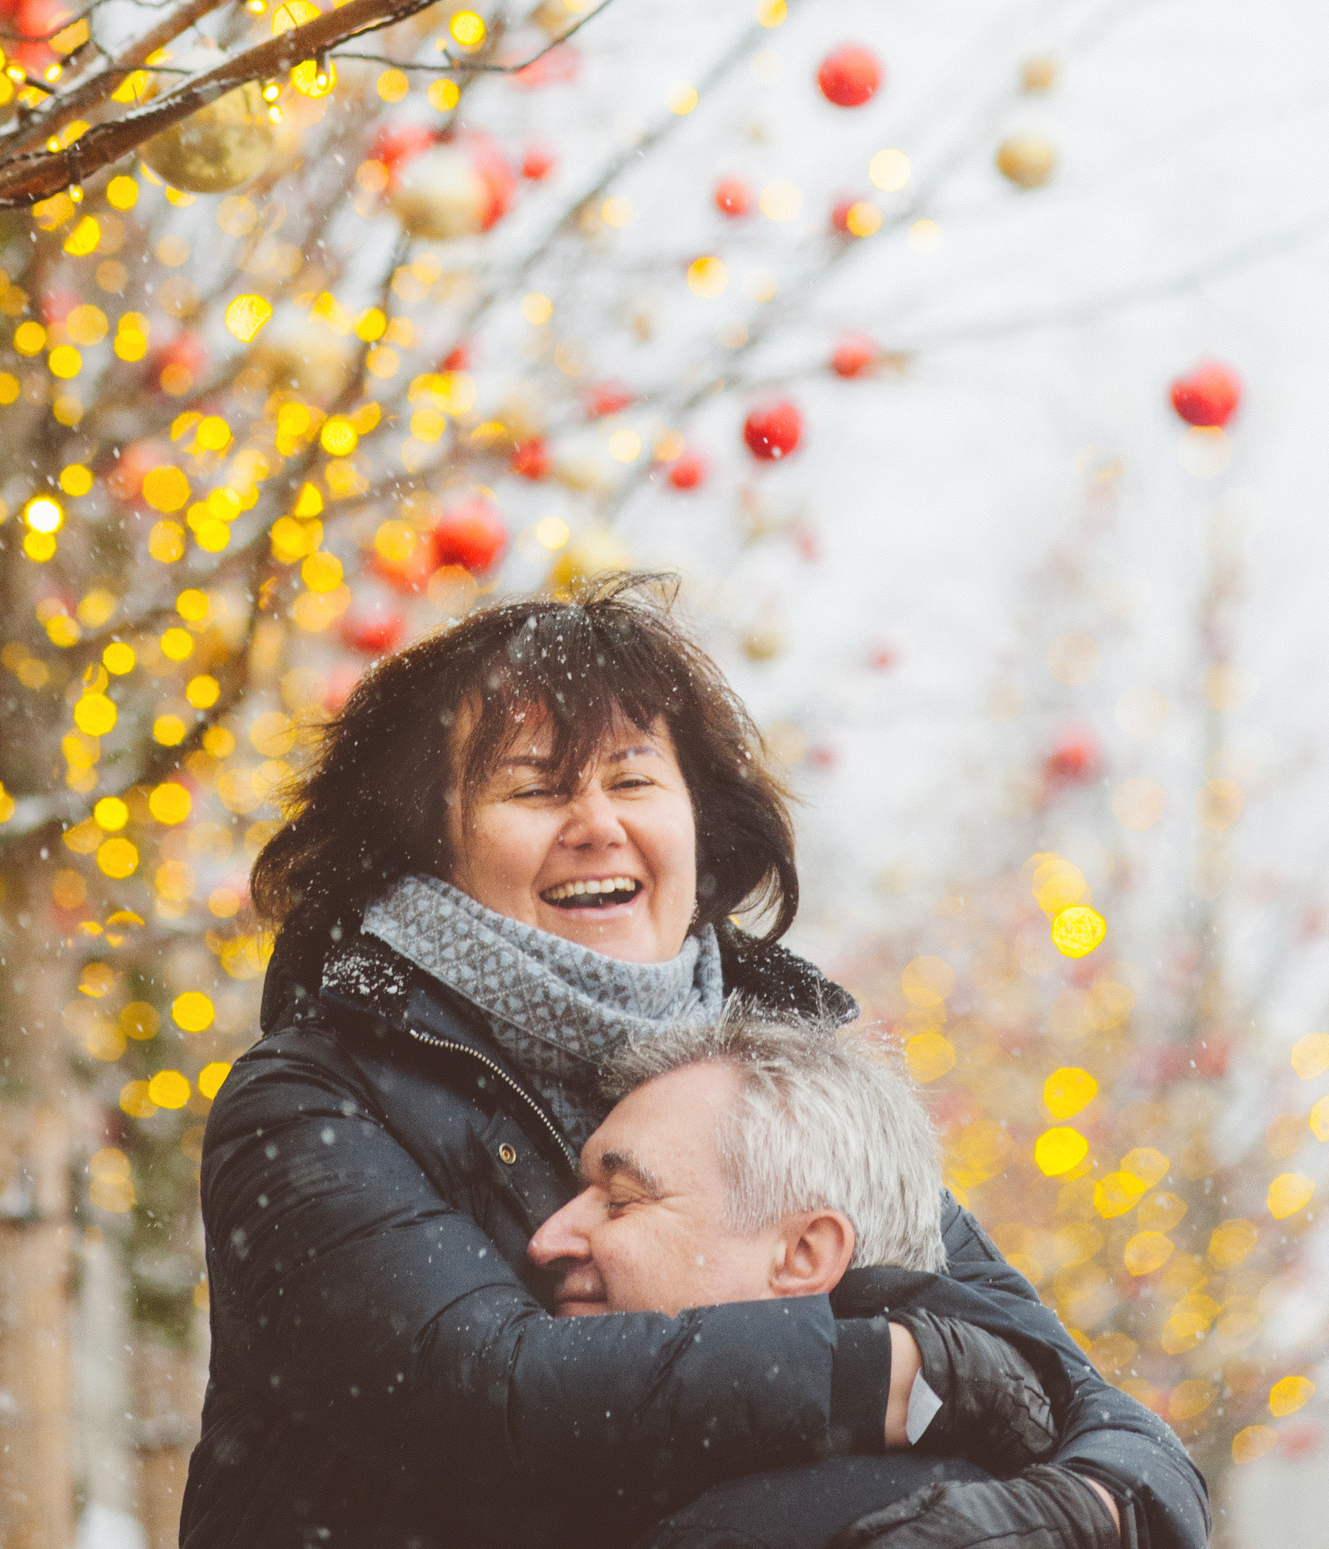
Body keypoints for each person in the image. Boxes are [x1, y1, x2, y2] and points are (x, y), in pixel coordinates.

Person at [181, 579, 1207, 1549]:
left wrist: (1072, 1510)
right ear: (423, 843)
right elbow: (481, 1396)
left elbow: (1063, 1391)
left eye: (633, 779)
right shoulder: (312, 1097)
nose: (598, 826)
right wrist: (885, 1374)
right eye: (534, 789)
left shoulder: (778, 1077)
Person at [528, 1009, 1128, 1549]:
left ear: (803, 1255)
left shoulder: (742, 1529)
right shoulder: (985, 1484)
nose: (547, 1240)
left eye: (621, 1200)